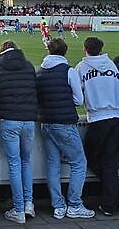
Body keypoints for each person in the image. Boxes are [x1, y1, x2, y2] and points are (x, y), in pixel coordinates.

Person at [37, 38, 94, 219]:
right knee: (79, 162)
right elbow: (78, 99)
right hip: (64, 122)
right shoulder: (68, 71)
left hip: (46, 122)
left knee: (53, 164)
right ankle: (75, 204)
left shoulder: (40, 71)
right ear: (65, 51)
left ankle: (58, 206)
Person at [0, 40, 38, 224]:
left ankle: (18, 208)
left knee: (15, 163)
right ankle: (28, 203)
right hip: (28, 119)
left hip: (10, 119)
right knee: (26, 161)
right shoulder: (28, 66)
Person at [75, 37, 119, 216]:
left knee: (90, 157)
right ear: (101, 49)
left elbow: (77, 96)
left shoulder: (81, 68)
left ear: (85, 49)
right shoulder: (112, 66)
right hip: (115, 117)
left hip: (98, 119)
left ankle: (112, 194)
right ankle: (109, 203)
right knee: (110, 162)